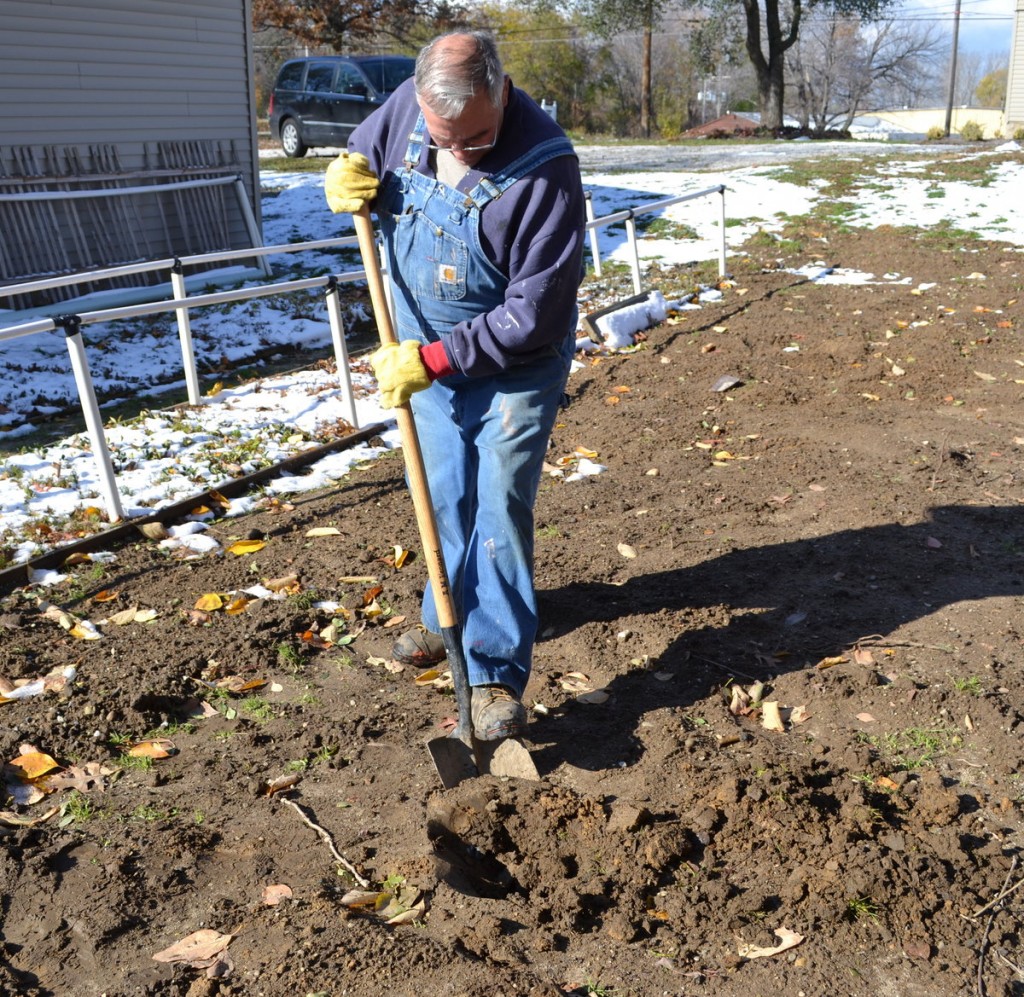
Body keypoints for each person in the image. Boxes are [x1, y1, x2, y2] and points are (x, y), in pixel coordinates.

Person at [325, 30, 585, 743]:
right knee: (442, 488)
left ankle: (493, 667)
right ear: (420, 103)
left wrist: (437, 361)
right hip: (419, 349)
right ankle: (443, 616)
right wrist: (345, 174)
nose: (462, 151)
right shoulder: (410, 109)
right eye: (447, 139)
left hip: (514, 362)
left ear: (502, 91)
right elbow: (363, 151)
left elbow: (535, 314)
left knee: (498, 499)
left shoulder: (546, 168)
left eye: (477, 137)